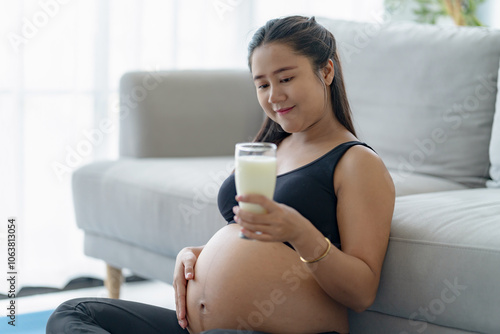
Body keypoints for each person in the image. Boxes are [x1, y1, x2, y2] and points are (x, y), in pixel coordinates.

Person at [46, 15, 395, 334]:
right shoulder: (271, 147)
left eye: (286, 78)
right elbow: (251, 246)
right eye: (262, 84)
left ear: (327, 72)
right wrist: (196, 253)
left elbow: (362, 291)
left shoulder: (355, 162)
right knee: (73, 313)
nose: (274, 96)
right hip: (203, 329)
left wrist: (300, 232)